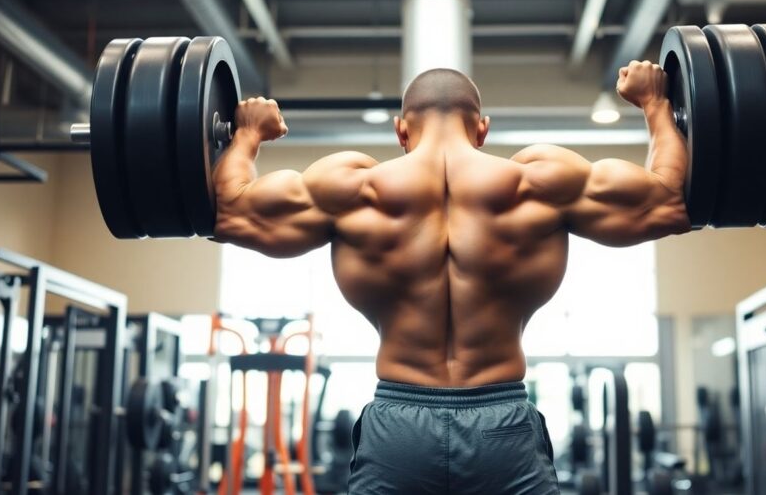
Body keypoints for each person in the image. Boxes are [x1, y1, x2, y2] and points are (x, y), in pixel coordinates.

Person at [212, 60, 690, 494]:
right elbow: (668, 201)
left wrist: (248, 134)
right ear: (482, 129)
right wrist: (656, 104)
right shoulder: (541, 183)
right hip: (502, 424)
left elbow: (231, 212)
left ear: (401, 130)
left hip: (398, 427)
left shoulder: (351, 188)